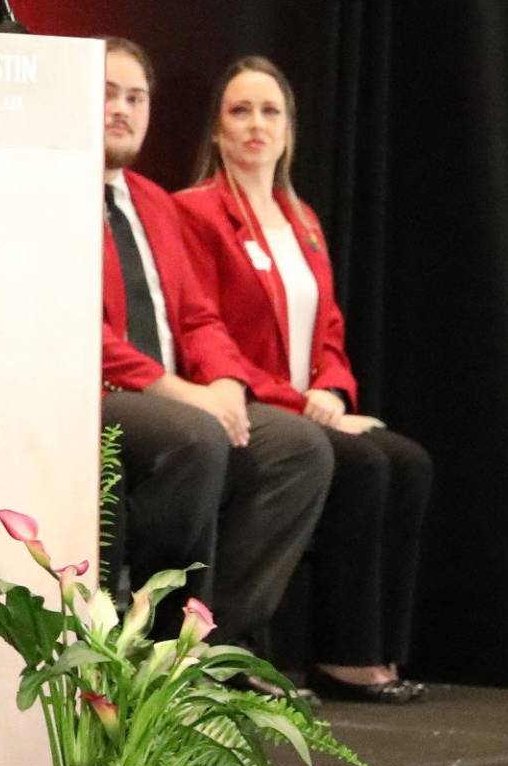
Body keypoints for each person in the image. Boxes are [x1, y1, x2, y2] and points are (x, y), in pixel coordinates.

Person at [175, 57, 433, 703]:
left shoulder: (303, 220)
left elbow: (329, 327)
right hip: (249, 407)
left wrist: (334, 390)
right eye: (240, 111)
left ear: (289, 130)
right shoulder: (195, 213)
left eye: (270, 112)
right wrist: (301, 403)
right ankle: (317, 653)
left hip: (309, 406)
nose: (256, 124)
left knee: (405, 463)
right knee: (362, 465)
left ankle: (366, 649)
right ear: (216, 131)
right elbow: (203, 334)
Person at [98, 37, 332, 653]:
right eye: (107, 94)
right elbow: (72, 325)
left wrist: (225, 383)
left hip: (178, 392)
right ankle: (155, 635)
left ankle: (207, 639)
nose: (122, 109)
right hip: (100, 391)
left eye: (135, 97)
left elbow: (199, 317)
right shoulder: (50, 192)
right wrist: (181, 391)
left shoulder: (151, 201)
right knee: (195, 434)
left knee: (298, 447)